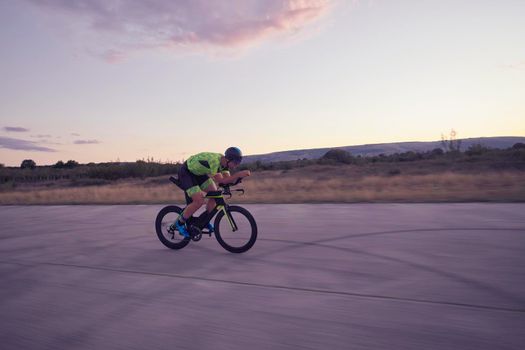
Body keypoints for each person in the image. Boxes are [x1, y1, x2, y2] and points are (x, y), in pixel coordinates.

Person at [172, 147, 251, 237]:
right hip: (187, 172)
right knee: (199, 201)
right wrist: (238, 174)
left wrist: (239, 178)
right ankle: (180, 223)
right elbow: (222, 181)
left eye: (238, 163)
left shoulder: (225, 165)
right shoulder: (215, 161)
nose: (236, 165)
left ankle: (204, 221)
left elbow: (227, 180)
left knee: (215, 194)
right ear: (228, 159)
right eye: (236, 163)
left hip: (199, 174)